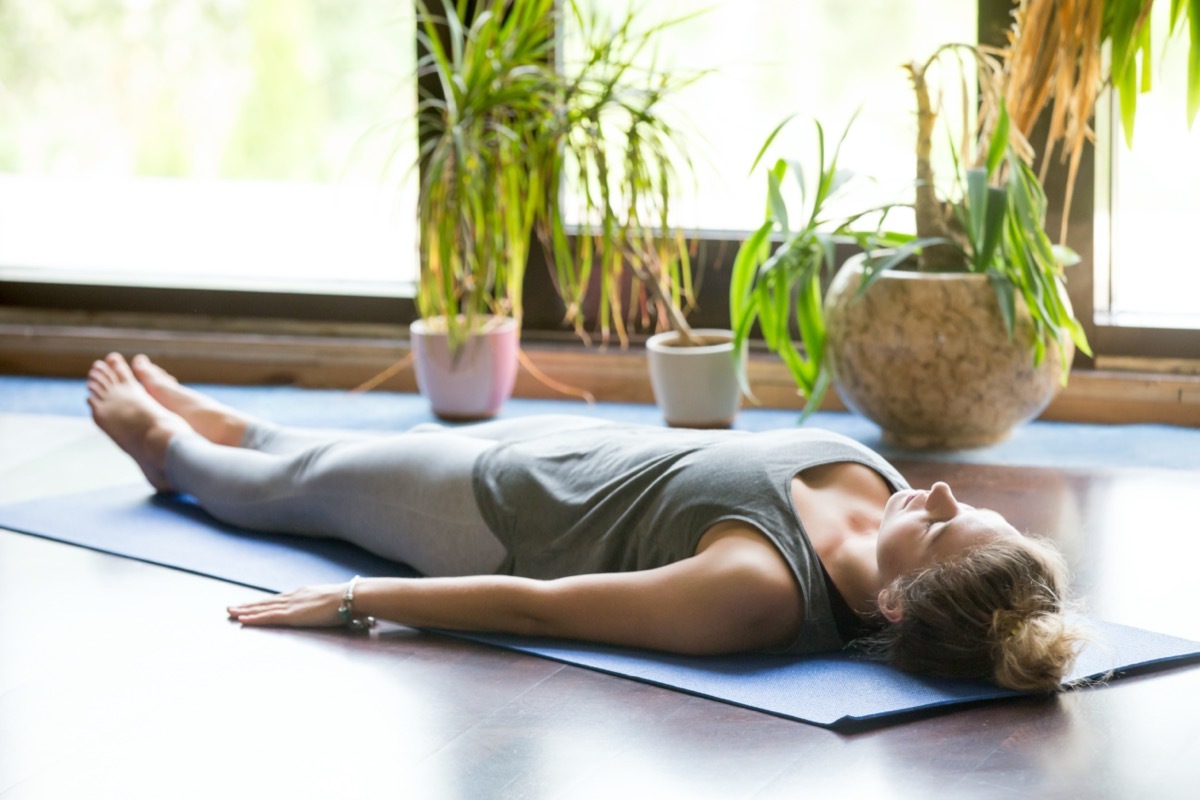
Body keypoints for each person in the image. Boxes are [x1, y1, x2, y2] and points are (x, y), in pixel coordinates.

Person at [86, 352, 1080, 692]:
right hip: (570, 446)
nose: (941, 494)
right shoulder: (893, 501)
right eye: (966, 503)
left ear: (899, 604)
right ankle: (225, 417)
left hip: (491, 512)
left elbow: (549, 606)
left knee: (285, 486)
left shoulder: (759, 589)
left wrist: (357, 597)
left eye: (946, 525)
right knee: (319, 445)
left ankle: (167, 447)